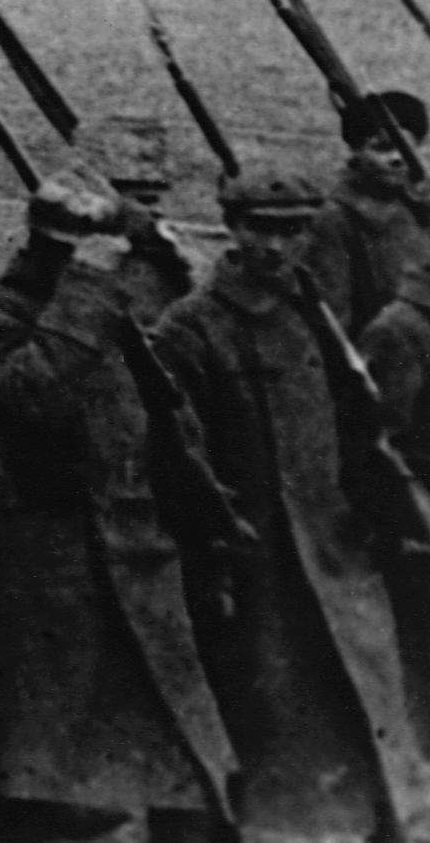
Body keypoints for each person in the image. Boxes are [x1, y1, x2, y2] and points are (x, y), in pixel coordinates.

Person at [0, 174, 241, 843]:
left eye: (149, 198)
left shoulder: (169, 286)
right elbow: (27, 393)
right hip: (51, 580)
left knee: (191, 780)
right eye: (126, 200)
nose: (139, 215)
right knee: (42, 789)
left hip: (152, 561)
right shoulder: (27, 302)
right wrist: (91, 282)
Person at [155, 164, 430, 839]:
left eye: (291, 232)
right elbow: (173, 459)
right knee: (276, 729)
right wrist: (218, 551)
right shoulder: (190, 328)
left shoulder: (313, 316)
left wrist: (388, 518)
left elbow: (359, 428)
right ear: (232, 228)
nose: (275, 247)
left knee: (370, 714)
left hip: (339, 554)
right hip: (257, 569)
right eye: (260, 230)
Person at [299, 87, 430, 335]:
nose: (396, 159)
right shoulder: (337, 218)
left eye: (406, 149)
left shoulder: (419, 206)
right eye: (382, 148)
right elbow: (334, 319)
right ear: (355, 151)